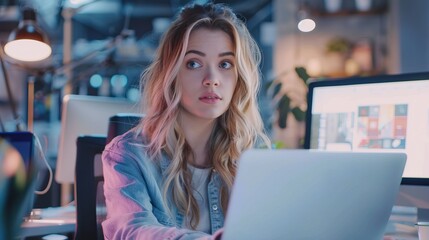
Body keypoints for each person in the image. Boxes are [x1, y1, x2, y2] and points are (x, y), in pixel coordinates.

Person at [102, 2, 271, 239]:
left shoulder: (254, 153)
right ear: (171, 74)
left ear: (239, 77)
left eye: (225, 64)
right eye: (194, 63)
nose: (212, 79)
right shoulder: (127, 155)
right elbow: (131, 230)